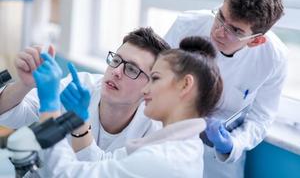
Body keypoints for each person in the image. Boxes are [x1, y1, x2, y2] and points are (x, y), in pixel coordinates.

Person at [34, 36, 223, 177]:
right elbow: (104, 163)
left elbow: (66, 174)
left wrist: (49, 106)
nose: (145, 89)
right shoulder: (179, 144)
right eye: (116, 61)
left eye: (155, 79)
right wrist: (80, 121)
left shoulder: (163, 160)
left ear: (185, 85)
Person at [164, 0, 287, 177]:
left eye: (235, 30)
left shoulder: (273, 58)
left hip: (217, 158)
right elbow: (153, 81)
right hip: (169, 134)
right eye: (221, 17)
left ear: (256, 41)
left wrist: (232, 144)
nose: (219, 32)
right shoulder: (186, 25)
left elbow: (261, 117)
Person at [0, 27, 170, 155]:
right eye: (116, 60)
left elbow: (104, 172)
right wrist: (25, 84)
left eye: (132, 69)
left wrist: (79, 123)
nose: (116, 71)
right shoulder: (80, 85)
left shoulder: (153, 128)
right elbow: (9, 114)